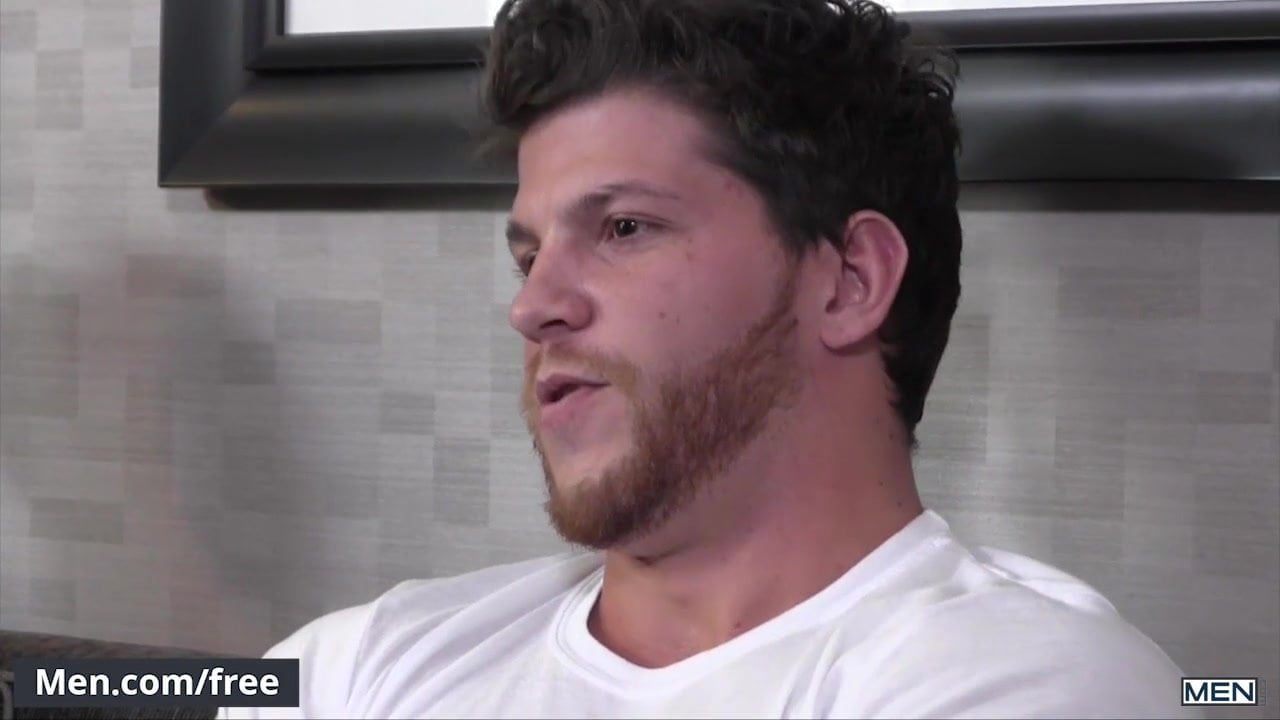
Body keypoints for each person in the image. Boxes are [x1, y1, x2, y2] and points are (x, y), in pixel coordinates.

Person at [222, 0, 1194, 717]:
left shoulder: (1023, 682)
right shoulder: (364, 668)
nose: (533, 306)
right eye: (528, 255)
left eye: (624, 228)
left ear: (849, 281)